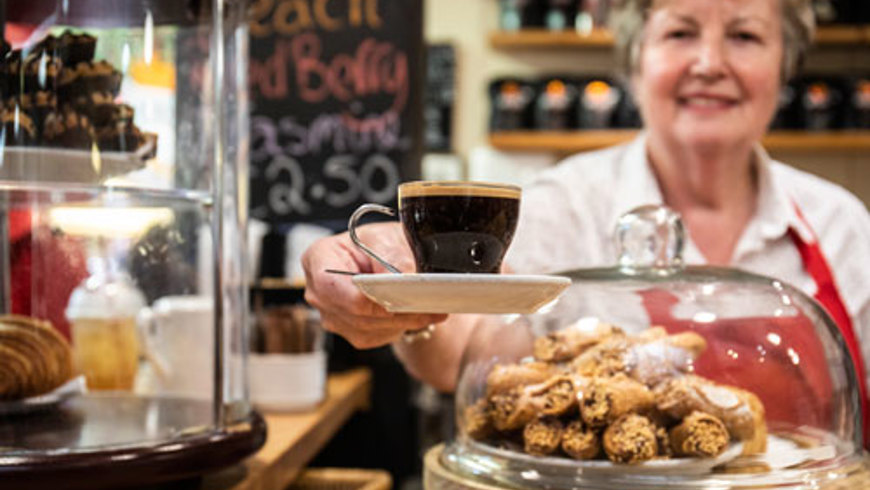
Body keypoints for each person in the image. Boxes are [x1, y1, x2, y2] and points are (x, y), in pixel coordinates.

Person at [303, 0, 870, 408]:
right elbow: (460, 354)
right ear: (635, 60)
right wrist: (401, 293)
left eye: (745, 36)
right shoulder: (563, 205)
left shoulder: (841, 225)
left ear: (785, 64)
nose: (709, 63)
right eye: (680, 33)